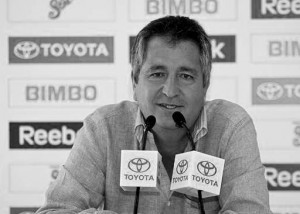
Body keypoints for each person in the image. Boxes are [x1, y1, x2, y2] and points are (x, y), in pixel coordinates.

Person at [36, 16, 273, 214]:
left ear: (206, 84)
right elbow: (55, 210)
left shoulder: (231, 126)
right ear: (135, 82)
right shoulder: (104, 128)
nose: (170, 91)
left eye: (186, 76)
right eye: (157, 74)